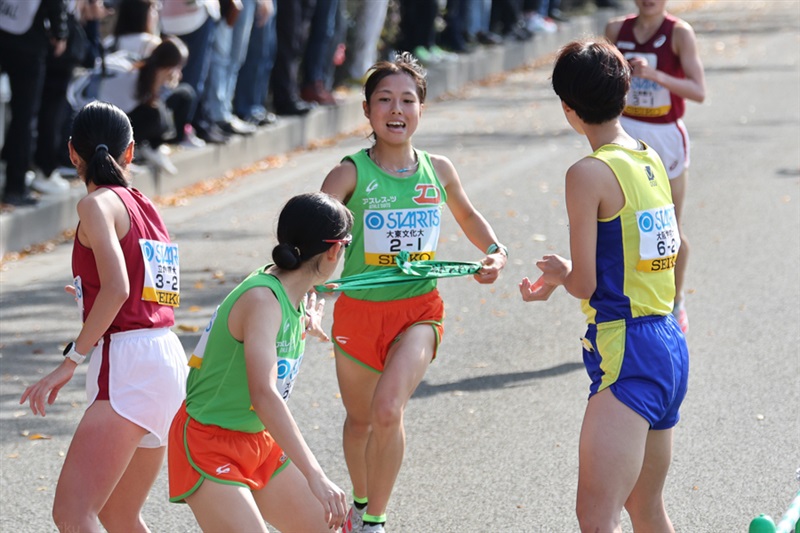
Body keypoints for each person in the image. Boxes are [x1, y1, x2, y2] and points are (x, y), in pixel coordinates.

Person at [321, 52, 508, 533]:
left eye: (407, 99)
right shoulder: (348, 174)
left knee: (388, 410)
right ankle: (362, 500)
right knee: (360, 420)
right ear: (367, 111)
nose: (396, 109)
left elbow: (466, 215)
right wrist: (308, 292)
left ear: (421, 109)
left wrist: (494, 251)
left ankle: (376, 521)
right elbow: (316, 236)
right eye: (384, 100)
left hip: (418, 311)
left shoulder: (438, 170)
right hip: (359, 313)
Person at [519, 40, 689, 532]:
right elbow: (649, 253)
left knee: (596, 518)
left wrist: (564, 276)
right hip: (667, 344)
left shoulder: (587, 173)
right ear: (626, 91)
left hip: (626, 349)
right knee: (646, 507)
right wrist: (564, 272)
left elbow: (586, 284)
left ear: (568, 109)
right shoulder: (647, 156)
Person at [19, 101, 188, 531]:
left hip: (129, 360)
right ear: (130, 152)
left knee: (74, 513)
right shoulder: (144, 205)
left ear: (72, 153)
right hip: (164, 357)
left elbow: (119, 289)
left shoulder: (95, 205)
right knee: (117, 514)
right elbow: (148, 290)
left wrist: (70, 360)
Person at [167, 191, 351, 532]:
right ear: (334, 250)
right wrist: (316, 475)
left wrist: (304, 320)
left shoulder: (289, 292)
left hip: (258, 440)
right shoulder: (263, 299)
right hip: (210, 443)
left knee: (328, 527)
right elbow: (263, 395)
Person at [605, 0, 706, 332]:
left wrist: (655, 75)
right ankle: (626, 304)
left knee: (668, 228)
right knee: (622, 225)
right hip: (624, 130)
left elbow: (698, 90)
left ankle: (675, 302)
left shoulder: (679, 33)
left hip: (665, 135)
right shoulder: (616, 30)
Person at [0, 0, 67, 206]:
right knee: (24, 115)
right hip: (29, 40)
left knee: (24, 117)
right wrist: (60, 31)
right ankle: (15, 187)